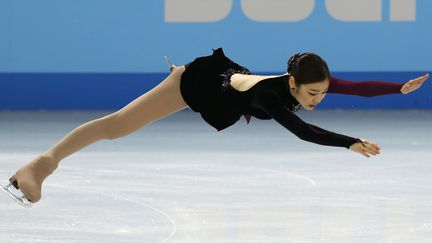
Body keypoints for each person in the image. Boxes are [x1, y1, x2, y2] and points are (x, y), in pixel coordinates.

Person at [4, 48, 429, 206]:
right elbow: (303, 132)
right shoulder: (270, 94)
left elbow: (358, 88)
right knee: (118, 127)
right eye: (312, 93)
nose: (318, 99)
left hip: (226, 83)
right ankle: (42, 164)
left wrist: (399, 89)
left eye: (323, 93)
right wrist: (350, 142)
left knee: (120, 127)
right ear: (293, 84)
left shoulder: (308, 82)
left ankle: (44, 163)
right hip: (199, 83)